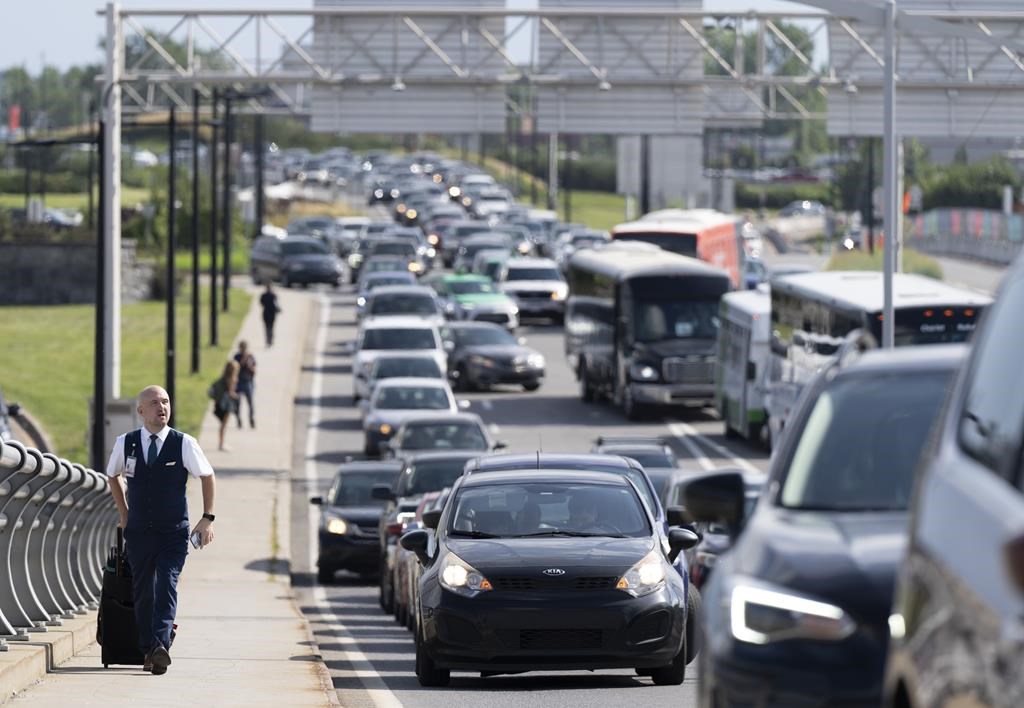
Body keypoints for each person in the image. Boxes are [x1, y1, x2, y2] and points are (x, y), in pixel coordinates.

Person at [106, 385, 216, 676]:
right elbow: (111, 475)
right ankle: (151, 649)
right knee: (143, 591)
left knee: (165, 584)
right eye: (155, 403)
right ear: (141, 411)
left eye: (166, 402)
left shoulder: (184, 443)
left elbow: (207, 475)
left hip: (173, 533)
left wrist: (207, 518)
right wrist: (124, 513)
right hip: (139, 532)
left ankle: (159, 646)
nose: (162, 407)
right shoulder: (125, 443)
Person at [210, 360, 240, 452]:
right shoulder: (231, 379)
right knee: (223, 425)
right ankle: (221, 443)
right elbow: (231, 392)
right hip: (226, 405)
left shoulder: (223, 378)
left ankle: (221, 442)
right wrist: (237, 397)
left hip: (220, 403)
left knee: (222, 424)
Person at [233, 341, 256, 429]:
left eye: (244, 348)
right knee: (237, 403)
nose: (243, 350)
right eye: (242, 348)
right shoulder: (237, 357)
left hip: (248, 382)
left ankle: (251, 419)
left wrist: (250, 365)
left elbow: (254, 370)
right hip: (238, 383)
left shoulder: (251, 357)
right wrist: (244, 359)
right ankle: (238, 419)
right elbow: (236, 368)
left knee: (250, 402)